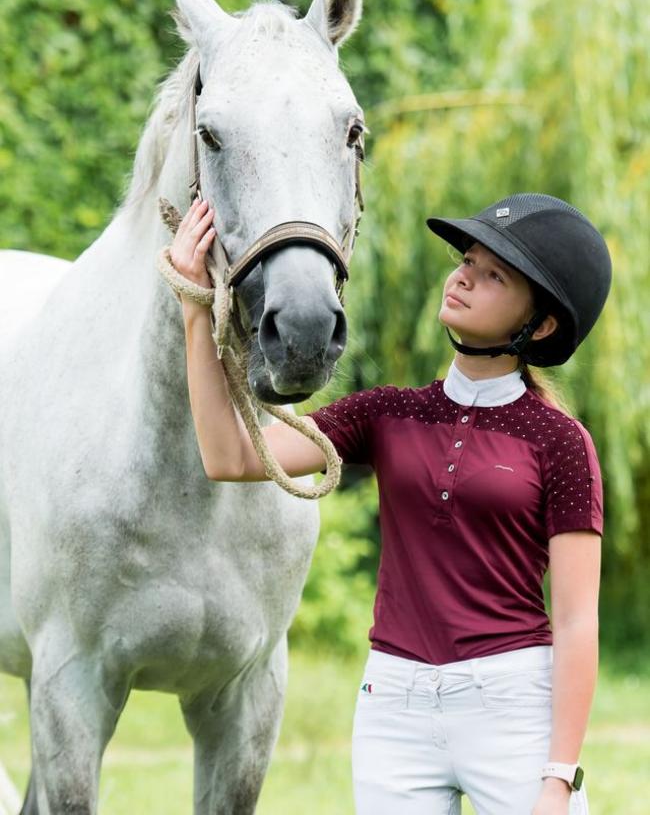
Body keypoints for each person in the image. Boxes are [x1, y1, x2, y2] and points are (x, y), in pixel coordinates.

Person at [170, 192, 611, 815]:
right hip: (393, 704)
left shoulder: (560, 442)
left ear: (537, 326)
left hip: (513, 705)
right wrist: (196, 309)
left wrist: (558, 776)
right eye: (468, 260)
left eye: (494, 275)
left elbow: (575, 623)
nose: (463, 276)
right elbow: (231, 456)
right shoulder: (387, 413)